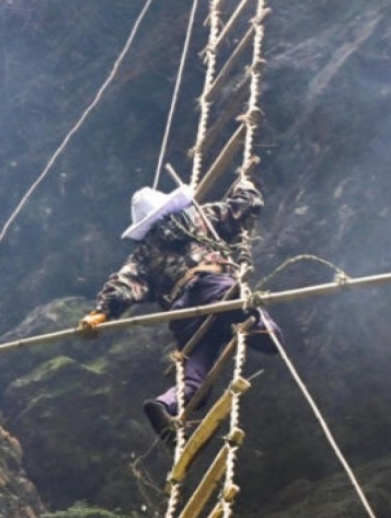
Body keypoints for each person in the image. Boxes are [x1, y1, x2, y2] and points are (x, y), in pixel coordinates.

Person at [78, 175, 280, 445]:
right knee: (263, 328)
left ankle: (165, 405)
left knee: (197, 377)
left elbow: (125, 285)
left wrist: (100, 314)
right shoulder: (196, 218)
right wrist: (246, 185)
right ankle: (256, 327)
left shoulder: (143, 255)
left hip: (184, 312)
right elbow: (243, 207)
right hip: (212, 285)